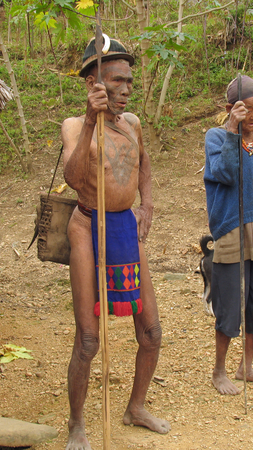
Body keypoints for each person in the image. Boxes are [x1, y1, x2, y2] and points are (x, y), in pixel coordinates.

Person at [60, 37, 170, 450]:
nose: (126, 89)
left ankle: (135, 408)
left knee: (152, 333)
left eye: (129, 81)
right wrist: (90, 121)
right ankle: (76, 425)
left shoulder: (134, 124)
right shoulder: (75, 126)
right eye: (117, 81)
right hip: (87, 226)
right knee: (89, 339)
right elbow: (73, 178)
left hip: (125, 227)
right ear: (94, 83)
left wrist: (148, 205)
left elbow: (143, 168)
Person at [203, 75, 253, 396]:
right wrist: (233, 131)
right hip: (230, 226)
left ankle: (246, 367)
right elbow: (223, 173)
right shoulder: (216, 137)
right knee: (229, 303)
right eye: (248, 109)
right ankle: (219, 370)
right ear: (231, 109)